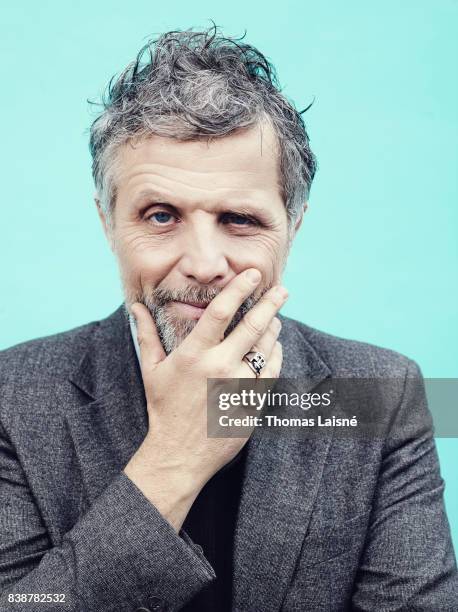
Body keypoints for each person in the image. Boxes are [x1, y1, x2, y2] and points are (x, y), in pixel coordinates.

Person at [0, 26, 456, 612]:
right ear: (108, 223)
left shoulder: (378, 396)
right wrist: (176, 456)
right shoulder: (13, 397)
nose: (204, 263)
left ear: (293, 229)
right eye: (161, 215)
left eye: (240, 218)